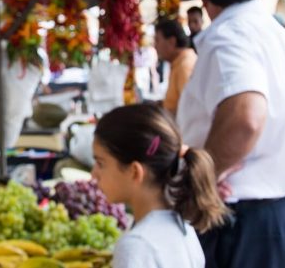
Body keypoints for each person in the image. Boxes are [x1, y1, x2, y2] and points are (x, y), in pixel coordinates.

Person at [176, 0, 285, 268]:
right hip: (278, 215)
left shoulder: (231, 36)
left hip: (245, 221)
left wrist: (202, 180)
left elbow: (246, 116)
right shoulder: (275, 35)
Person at [92, 104, 227, 268]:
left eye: (100, 163)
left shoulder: (136, 246)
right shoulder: (183, 228)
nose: (93, 174)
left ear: (135, 172)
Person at [154, 19, 197, 117]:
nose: (155, 46)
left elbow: (189, 110)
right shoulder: (179, 62)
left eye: (157, 40)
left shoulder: (185, 65)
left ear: (171, 42)